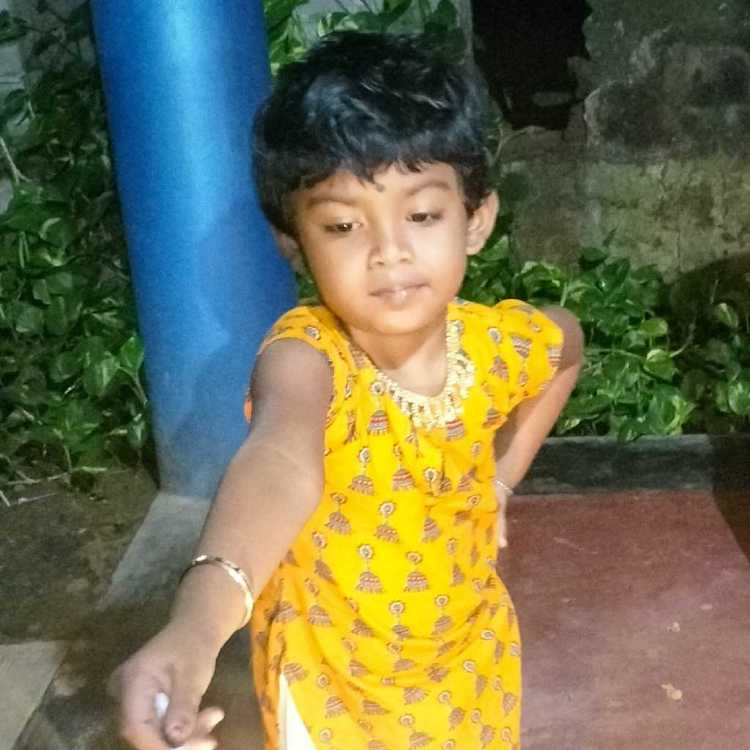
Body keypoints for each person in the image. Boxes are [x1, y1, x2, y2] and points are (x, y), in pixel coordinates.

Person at [112, 31, 583, 750]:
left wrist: (499, 481)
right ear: (293, 244)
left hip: (469, 669)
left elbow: (566, 346)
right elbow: (279, 462)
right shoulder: (308, 359)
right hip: (331, 688)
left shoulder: (497, 345)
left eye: (421, 215)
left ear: (476, 219)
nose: (389, 250)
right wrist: (198, 625)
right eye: (342, 225)